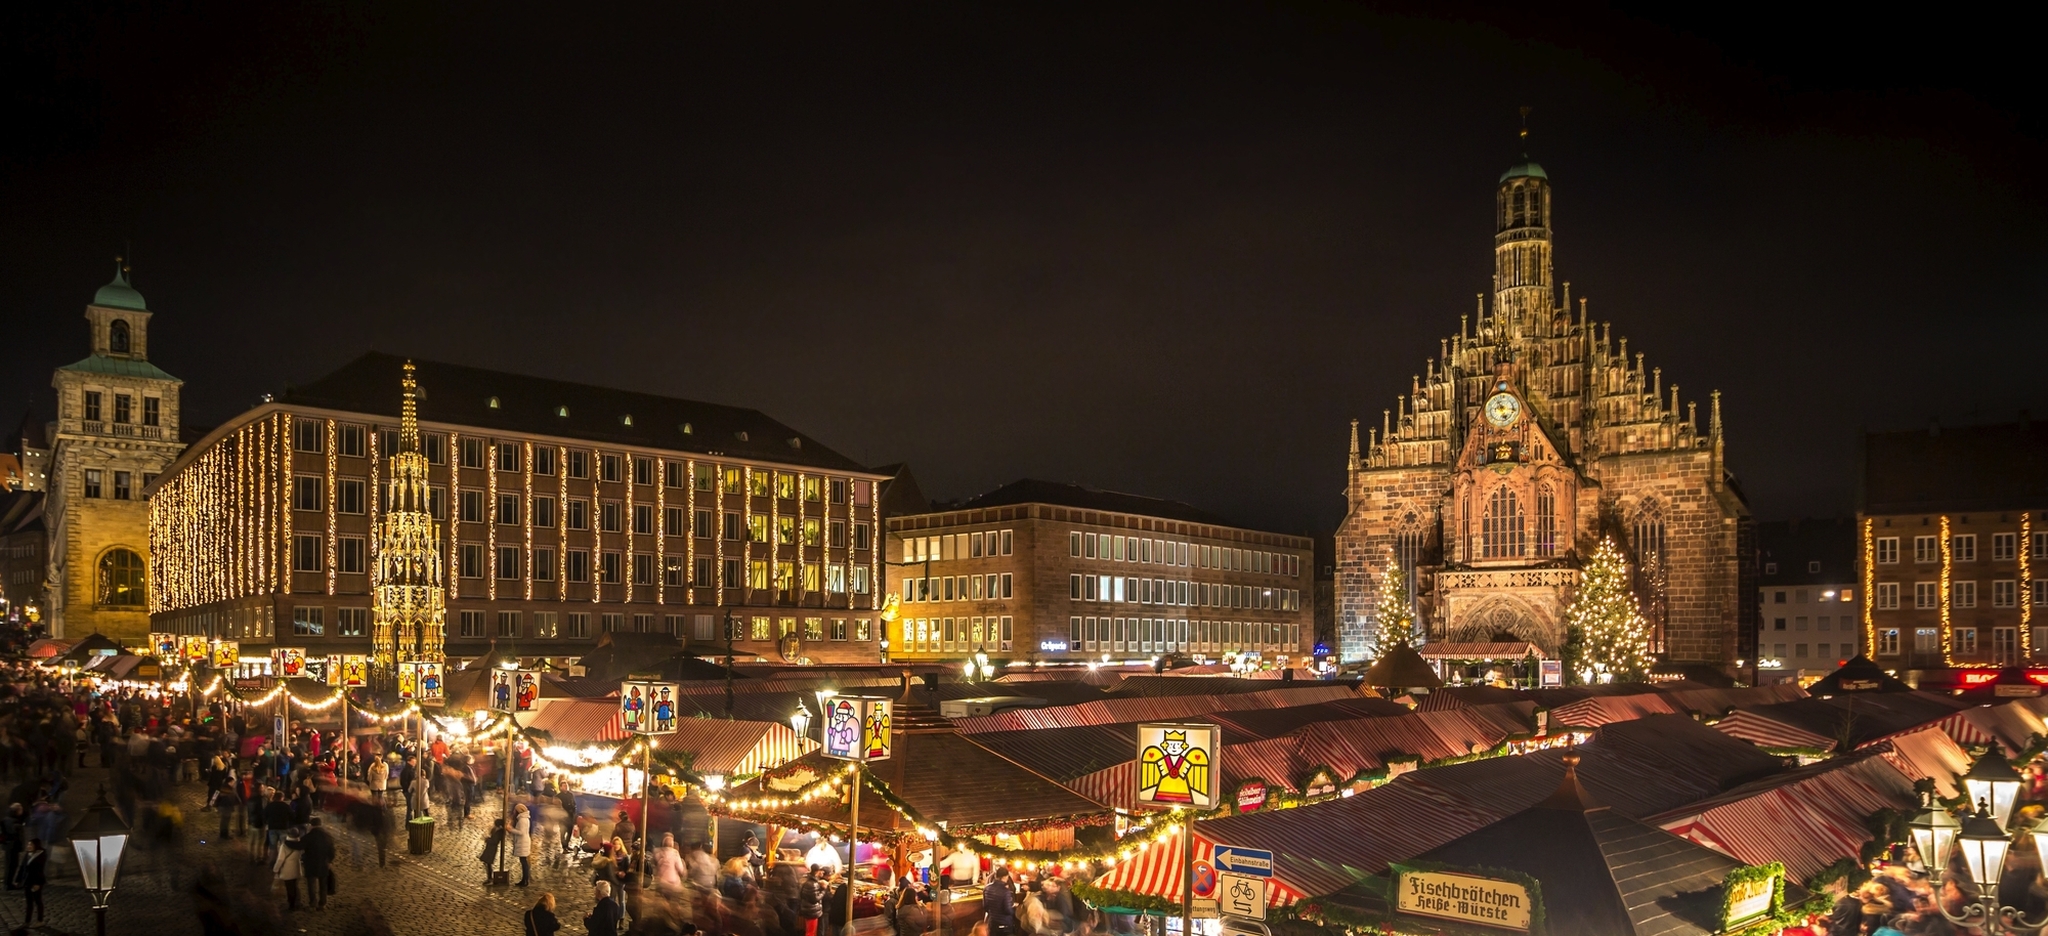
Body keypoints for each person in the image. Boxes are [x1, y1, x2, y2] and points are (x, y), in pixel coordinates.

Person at [301, 816, 337, 910]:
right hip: (323, 863)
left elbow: (300, 847)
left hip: (310, 863)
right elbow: (332, 850)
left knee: (311, 884)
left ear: (311, 825)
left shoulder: (308, 836)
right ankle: (322, 903)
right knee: (323, 884)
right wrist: (330, 861)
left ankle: (313, 902)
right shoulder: (328, 836)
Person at [274, 828, 306, 911]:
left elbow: (280, 859)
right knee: (295, 886)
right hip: (296, 868)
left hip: (287, 869)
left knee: (289, 888)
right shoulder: (300, 845)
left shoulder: (284, 846)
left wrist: (276, 869)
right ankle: (297, 902)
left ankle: (291, 904)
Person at [14, 839, 44, 924]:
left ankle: (40, 920)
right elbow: (22, 868)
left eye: (31, 845)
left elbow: (39, 870)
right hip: (27, 881)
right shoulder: (27, 854)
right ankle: (27, 921)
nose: (29, 846)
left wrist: (37, 883)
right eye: (28, 845)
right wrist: (18, 880)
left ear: (36, 846)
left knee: (38, 901)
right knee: (29, 903)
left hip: (35, 882)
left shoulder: (40, 855)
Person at [984, 866, 1018, 936]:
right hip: (1004, 924)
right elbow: (1008, 910)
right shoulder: (1005, 891)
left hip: (992, 923)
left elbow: (985, 907)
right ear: (1005, 877)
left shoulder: (987, 888)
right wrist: (1013, 907)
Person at [800, 865, 829, 936]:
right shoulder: (813, 884)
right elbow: (815, 899)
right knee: (811, 932)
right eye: (821, 870)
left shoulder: (810, 881)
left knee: (810, 931)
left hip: (809, 909)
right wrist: (823, 889)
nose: (822, 872)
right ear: (817, 872)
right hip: (812, 911)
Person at [511, 802, 534, 886]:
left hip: (523, 842)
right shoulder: (524, 819)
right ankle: (524, 879)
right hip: (523, 841)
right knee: (523, 861)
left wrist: (511, 829)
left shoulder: (522, 820)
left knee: (524, 862)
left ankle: (525, 880)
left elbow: (521, 832)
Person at [481, 817, 507, 885]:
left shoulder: (499, 832)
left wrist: (487, 840)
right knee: (487, 863)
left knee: (488, 863)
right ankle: (489, 877)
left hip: (492, 849)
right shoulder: (496, 830)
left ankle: (490, 878)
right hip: (489, 848)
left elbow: (495, 841)